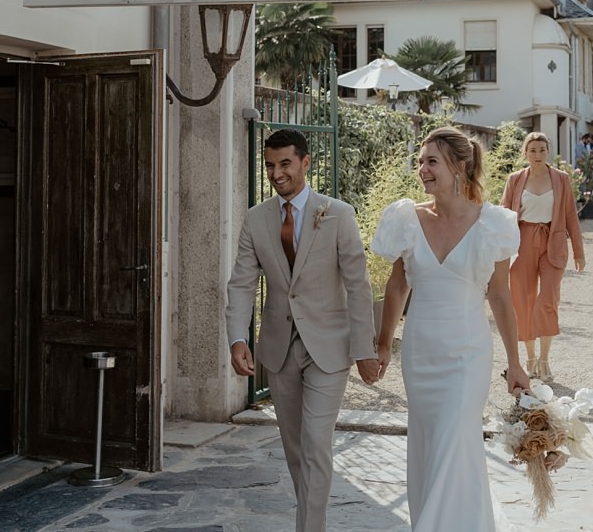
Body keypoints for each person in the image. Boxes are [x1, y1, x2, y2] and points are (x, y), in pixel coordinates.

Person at [372, 126, 530, 531]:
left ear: (460, 166)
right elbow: (397, 285)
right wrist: (384, 344)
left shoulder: (493, 223)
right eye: (421, 160)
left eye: (432, 161)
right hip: (421, 352)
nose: (422, 169)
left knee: (455, 439)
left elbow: (500, 296)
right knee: (428, 446)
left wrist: (516, 362)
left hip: (467, 355)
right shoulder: (407, 219)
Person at [225, 128, 381, 532]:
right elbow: (242, 281)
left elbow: (357, 285)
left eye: (285, 164)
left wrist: (365, 348)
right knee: (295, 449)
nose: (277, 173)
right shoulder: (256, 219)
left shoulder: (338, 213)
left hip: (328, 346)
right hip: (279, 350)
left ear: (306, 162)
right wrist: (237, 338)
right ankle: (309, 519)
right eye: (270, 166)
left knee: (315, 443)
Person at [499, 132, 586, 381]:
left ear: (548, 152)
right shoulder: (515, 180)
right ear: (525, 153)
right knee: (523, 302)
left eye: (542, 150)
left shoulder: (561, 179)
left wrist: (579, 252)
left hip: (552, 242)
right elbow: (503, 215)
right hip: (522, 242)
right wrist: (497, 251)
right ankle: (529, 358)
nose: (537, 155)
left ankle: (545, 359)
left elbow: (571, 216)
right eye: (533, 150)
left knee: (548, 300)